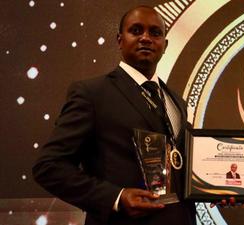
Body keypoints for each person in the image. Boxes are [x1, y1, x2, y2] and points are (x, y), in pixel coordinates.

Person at [32, 5, 195, 225]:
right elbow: (49, 167)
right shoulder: (92, 94)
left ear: (164, 45)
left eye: (155, 33)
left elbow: (182, 166)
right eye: (136, 31)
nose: (146, 38)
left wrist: (217, 187)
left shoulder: (176, 102)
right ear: (120, 40)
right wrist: (115, 197)